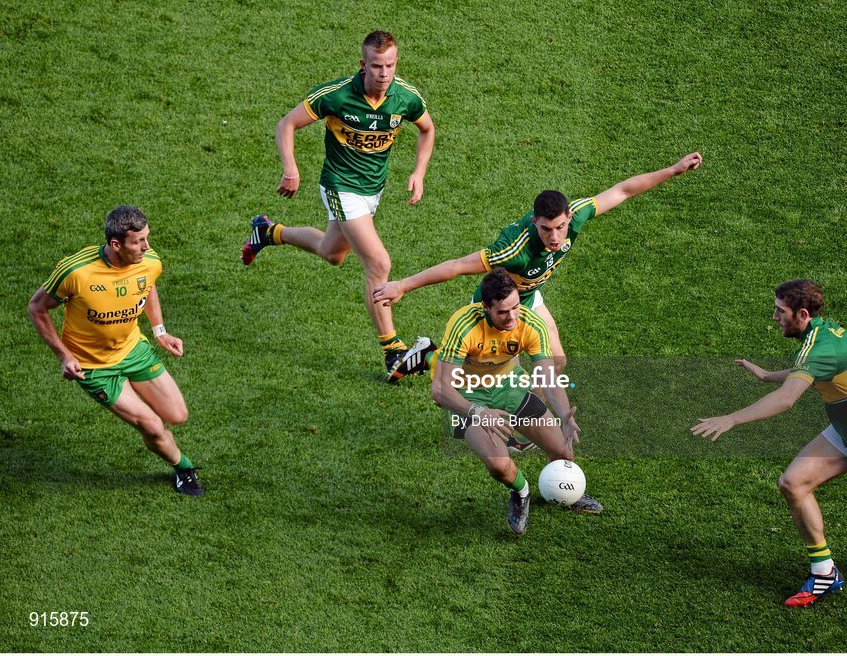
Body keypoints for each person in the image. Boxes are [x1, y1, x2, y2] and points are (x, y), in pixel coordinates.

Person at [374, 152, 702, 383]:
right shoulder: (514, 250)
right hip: (498, 304)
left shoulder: (577, 215)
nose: (554, 237)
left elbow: (622, 190)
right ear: (535, 222)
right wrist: (403, 285)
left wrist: (673, 170)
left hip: (529, 297)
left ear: (568, 217)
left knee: (555, 363)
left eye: (560, 227)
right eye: (546, 229)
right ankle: (426, 355)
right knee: (475, 379)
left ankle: (527, 424)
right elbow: (458, 266)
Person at [692, 279, 847, 607]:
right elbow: (809, 368)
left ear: (802, 313)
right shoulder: (822, 331)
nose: (774, 317)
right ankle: (824, 573)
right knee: (792, 483)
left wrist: (731, 419)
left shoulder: (821, 346)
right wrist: (768, 375)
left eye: (780, 311)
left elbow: (786, 400)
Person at [241, 30, 436, 382]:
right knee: (379, 263)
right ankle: (393, 352)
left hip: (372, 190)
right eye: (376, 66)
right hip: (340, 187)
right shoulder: (337, 95)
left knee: (332, 252)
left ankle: (267, 232)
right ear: (362, 64)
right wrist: (291, 168)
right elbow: (286, 124)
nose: (383, 73)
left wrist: (419, 172)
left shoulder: (405, 97)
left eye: (390, 65)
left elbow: (427, 129)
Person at [27, 205, 203, 497]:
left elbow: (147, 285)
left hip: (133, 350)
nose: (147, 247)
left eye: (147, 238)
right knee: (152, 426)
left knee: (177, 415)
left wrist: (159, 331)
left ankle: (169, 448)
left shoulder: (149, 261)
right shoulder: (76, 272)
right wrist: (64, 355)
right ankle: (184, 468)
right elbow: (37, 308)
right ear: (116, 244)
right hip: (94, 367)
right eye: (139, 241)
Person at [430, 268, 602, 535]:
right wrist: (478, 412)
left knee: (564, 453)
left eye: (515, 307)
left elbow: (547, 377)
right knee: (499, 465)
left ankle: (564, 492)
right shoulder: (464, 325)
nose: (511, 317)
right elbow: (441, 391)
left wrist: (566, 416)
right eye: (502, 312)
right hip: (469, 396)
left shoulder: (530, 323)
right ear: (486, 307)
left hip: (511, 388)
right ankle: (521, 491)